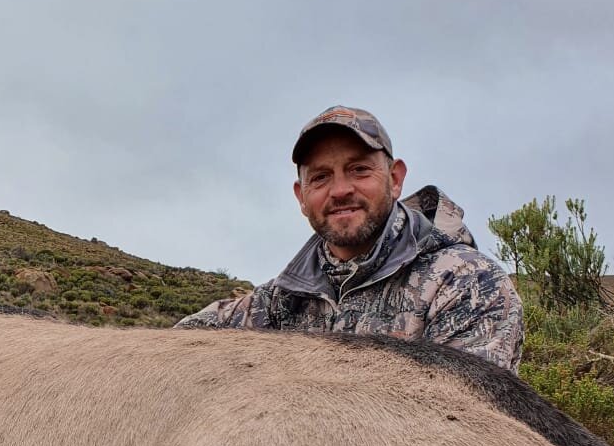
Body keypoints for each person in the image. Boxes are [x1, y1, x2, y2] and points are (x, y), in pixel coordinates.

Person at [177, 105, 524, 371]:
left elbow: (460, 425)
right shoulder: (279, 301)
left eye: (359, 169)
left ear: (395, 178)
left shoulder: (466, 284)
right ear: (301, 196)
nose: (340, 190)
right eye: (321, 177)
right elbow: (171, 350)